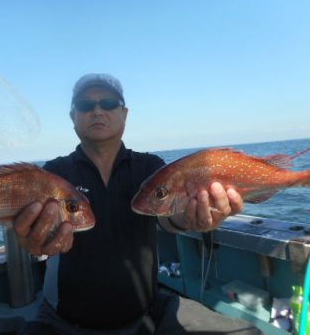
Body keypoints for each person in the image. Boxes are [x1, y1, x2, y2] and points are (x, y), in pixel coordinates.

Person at [14, 73, 263, 334]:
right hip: (63, 322)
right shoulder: (54, 173)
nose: (97, 110)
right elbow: (37, 232)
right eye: (86, 105)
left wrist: (190, 218)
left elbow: (169, 217)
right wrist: (33, 238)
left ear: (124, 113)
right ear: (72, 116)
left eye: (108, 103)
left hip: (146, 315)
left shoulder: (150, 167)